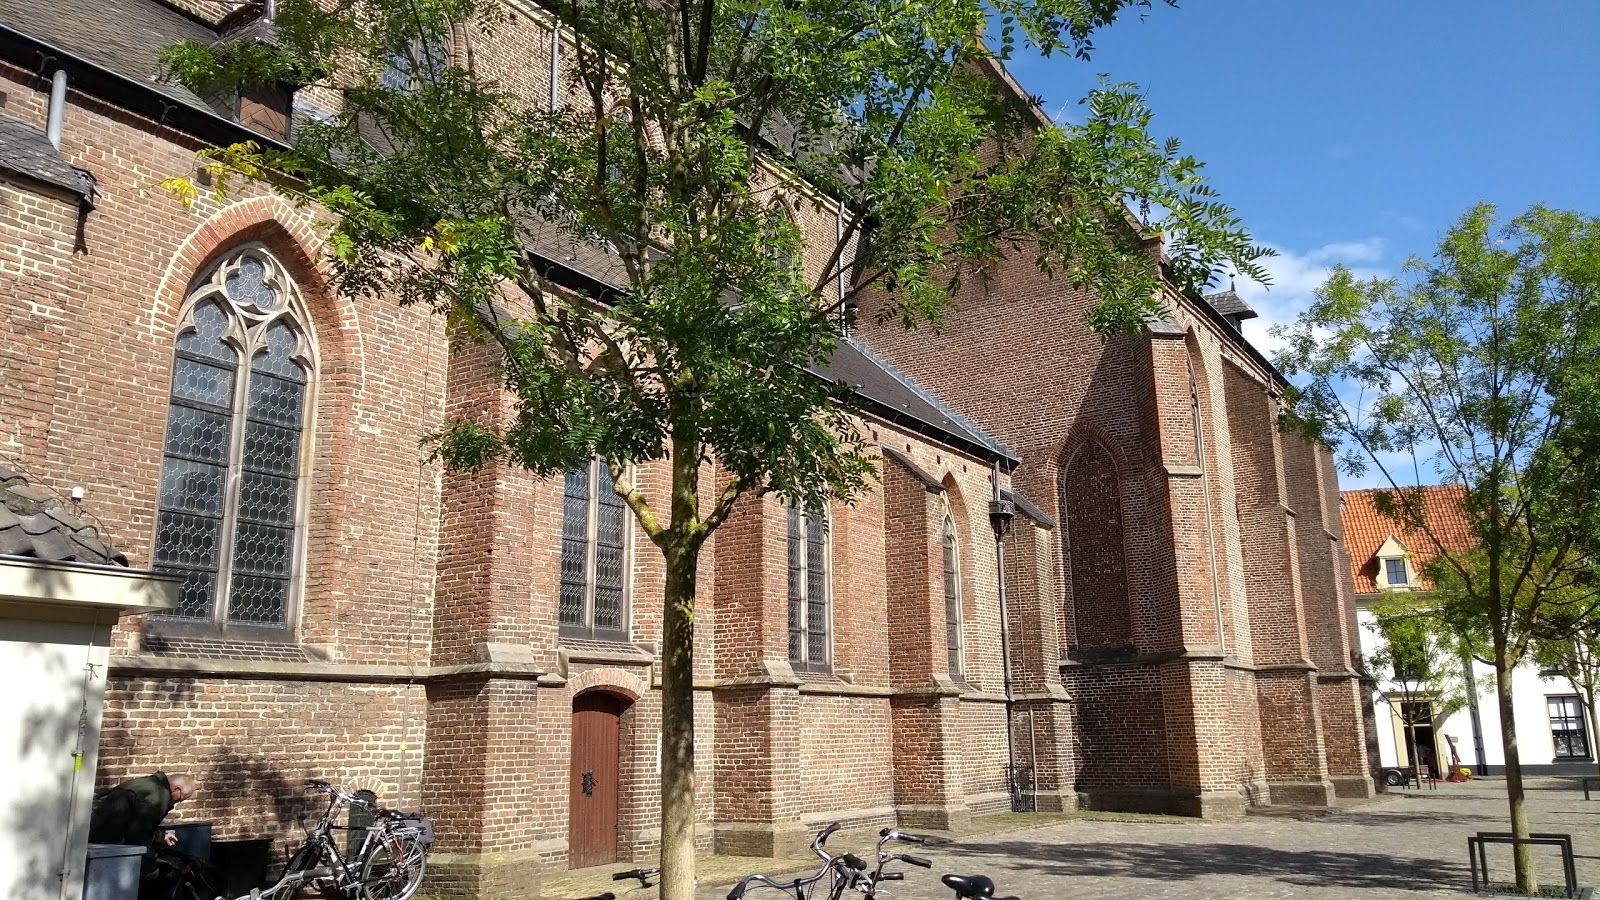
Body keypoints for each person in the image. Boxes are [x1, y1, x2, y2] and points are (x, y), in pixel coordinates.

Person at [88, 772, 197, 850]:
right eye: (181, 798)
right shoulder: (158, 797)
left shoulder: (148, 783)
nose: (178, 801)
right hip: (107, 845)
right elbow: (139, 834)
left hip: (95, 838)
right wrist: (150, 868)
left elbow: (140, 821)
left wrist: (161, 836)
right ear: (176, 789)